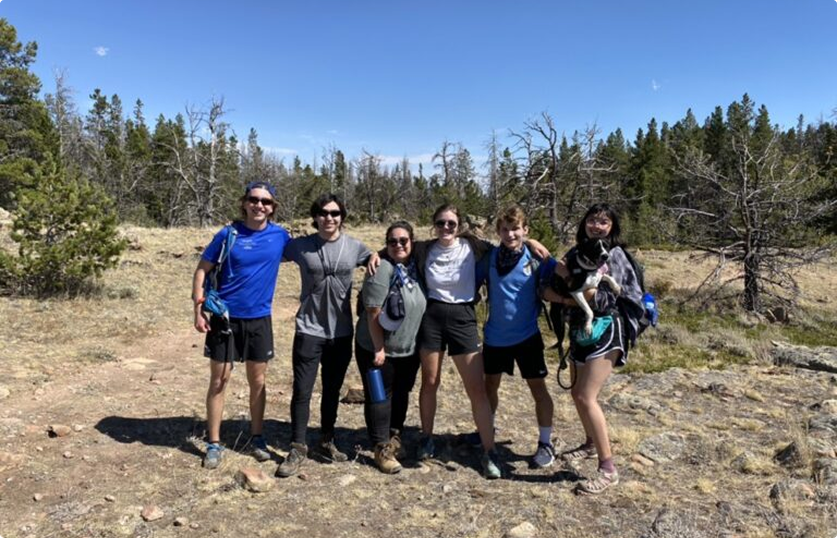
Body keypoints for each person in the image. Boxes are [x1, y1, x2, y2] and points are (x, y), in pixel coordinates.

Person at [412, 203, 549, 479]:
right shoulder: (423, 249)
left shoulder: (474, 246)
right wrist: (375, 256)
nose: (446, 228)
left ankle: (490, 451)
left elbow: (510, 242)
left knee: (477, 389)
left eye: (451, 223)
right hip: (432, 317)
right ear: (433, 225)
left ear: (459, 225)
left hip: (463, 317)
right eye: (440, 223)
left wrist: (530, 241)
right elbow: (396, 250)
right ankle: (426, 437)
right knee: (430, 381)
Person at [192, 181, 291, 469]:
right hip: (225, 319)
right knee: (219, 380)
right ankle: (214, 443)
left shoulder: (280, 236)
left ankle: (257, 438)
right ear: (245, 203)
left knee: (258, 382)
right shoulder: (228, 235)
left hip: (259, 319)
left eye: (266, 202)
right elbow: (202, 270)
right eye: (254, 199)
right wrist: (198, 310)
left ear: (272, 208)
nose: (259, 205)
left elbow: (312, 250)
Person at [277, 193, 376, 478]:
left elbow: (376, 258)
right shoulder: (300, 246)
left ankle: (326, 439)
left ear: (342, 216)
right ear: (315, 216)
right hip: (308, 329)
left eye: (334, 213)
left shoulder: (355, 246)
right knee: (302, 390)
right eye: (323, 213)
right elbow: (269, 253)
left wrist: (377, 256)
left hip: (341, 332)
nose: (329, 218)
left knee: (332, 389)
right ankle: (297, 446)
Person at [552, 203, 643, 494]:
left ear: (612, 227)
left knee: (585, 395)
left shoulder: (614, 256)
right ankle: (591, 444)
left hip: (607, 328)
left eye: (604, 222)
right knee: (577, 395)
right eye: (592, 220)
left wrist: (568, 282)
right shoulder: (577, 252)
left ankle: (608, 469)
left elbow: (604, 300)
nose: (597, 226)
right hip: (582, 329)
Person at [479, 205, 557, 469]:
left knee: (538, 389)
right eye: (505, 229)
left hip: (527, 336)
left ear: (525, 230)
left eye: (516, 229)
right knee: (490, 386)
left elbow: (562, 274)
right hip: (495, 337)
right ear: (498, 232)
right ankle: (487, 431)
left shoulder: (536, 257)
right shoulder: (490, 257)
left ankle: (545, 443)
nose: (510, 234)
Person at [354, 221, 427, 474]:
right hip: (376, 347)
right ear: (386, 244)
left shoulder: (416, 267)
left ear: (412, 242)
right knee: (379, 396)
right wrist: (379, 348)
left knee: (401, 393)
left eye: (403, 240)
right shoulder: (380, 268)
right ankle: (381, 447)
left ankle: (395, 436)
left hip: (408, 348)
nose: (398, 245)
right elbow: (373, 311)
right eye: (392, 241)